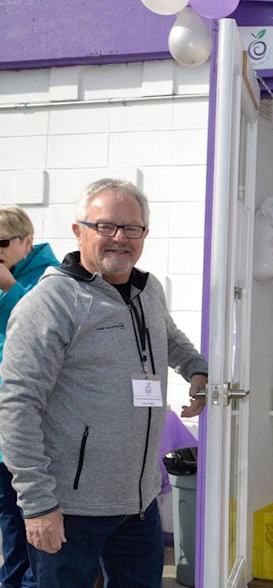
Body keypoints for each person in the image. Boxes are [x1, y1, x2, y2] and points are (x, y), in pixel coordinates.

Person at [0, 179, 209, 588]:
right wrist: (39, 506)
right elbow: (17, 407)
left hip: (139, 503)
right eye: (106, 227)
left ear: (145, 234)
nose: (120, 239)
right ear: (79, 231)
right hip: (69, 508)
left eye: (133, 228)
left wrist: (197, 370)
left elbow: (169, 337)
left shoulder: (148, 290)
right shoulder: (51, 303)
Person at [0, 207, 61, 588]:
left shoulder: (50, 279)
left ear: (27, 240)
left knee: (36, 523)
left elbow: (35, 336)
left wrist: (9, 288)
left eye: (3, 242)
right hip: (5, 427)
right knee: (9, 520)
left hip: (36, 427)